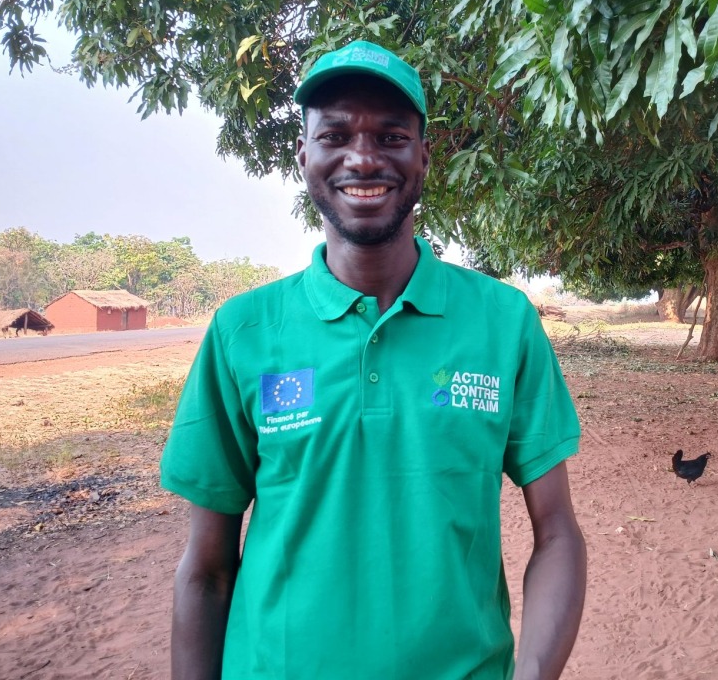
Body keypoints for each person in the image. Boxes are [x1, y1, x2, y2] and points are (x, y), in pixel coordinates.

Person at [161, 40, 587, 680]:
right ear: (304, 155)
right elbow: (206, 568)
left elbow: (556, 533)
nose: (363, 156)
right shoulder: (242, 332)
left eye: (391, 136)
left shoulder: (503, 323)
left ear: (423, 156)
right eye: (335, 134)